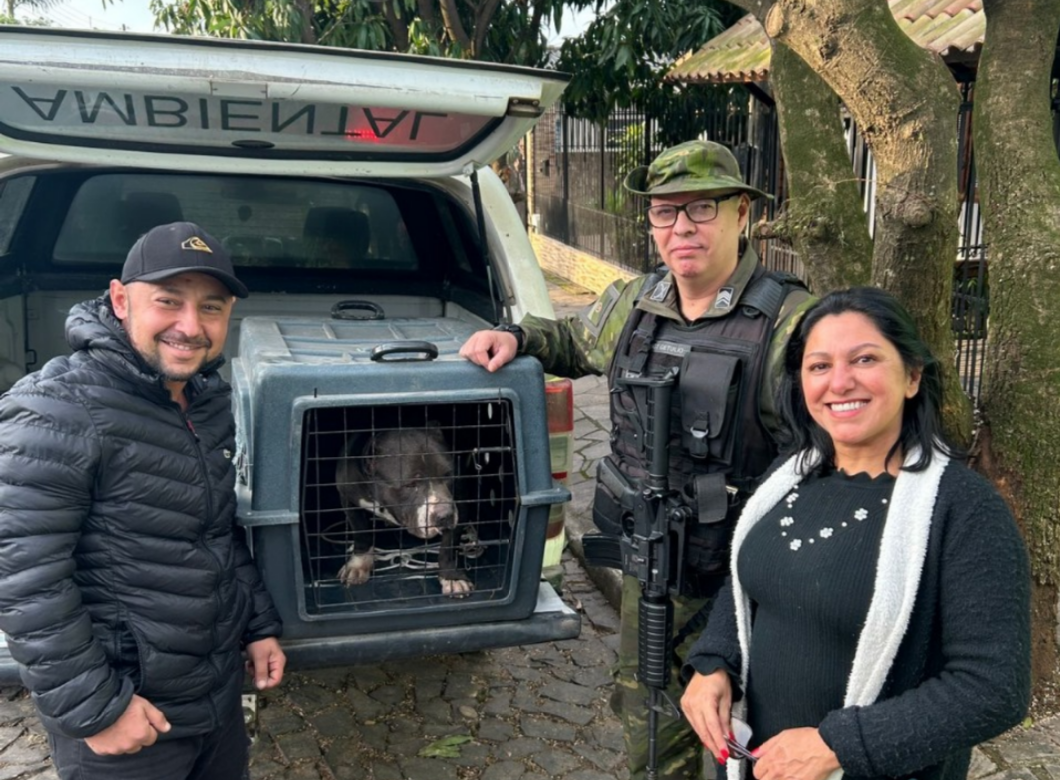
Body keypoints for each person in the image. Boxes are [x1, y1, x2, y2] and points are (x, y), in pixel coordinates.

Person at [460, 139, 813, 780]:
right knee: (649, 727)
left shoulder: (792, 324)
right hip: (651, 571)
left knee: (756, 743)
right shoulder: (633, 303)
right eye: (664, 211)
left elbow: (831, 462)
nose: (681, 227)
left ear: (742, 214)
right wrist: (514, 337)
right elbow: (572, 339)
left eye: (701, 208)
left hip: (749, 591)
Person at [680, 287, 1031, 780]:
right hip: (758, 767)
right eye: (819, 366)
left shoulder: (964, 510)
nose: (839, 382)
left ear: (912, 376)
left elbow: (994, 688)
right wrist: (714, 661)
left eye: (864, 359)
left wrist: (835, 746)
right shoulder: (788, 476)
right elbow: (748, 589)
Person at [0, 222, 286, 780]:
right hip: (129, 710)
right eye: (168, 302)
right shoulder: (55, 408)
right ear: (120, 299)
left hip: (212, 697)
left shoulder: (204, 400)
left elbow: (216, 530)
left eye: (211, 307)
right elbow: (25, 576)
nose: (190, 326)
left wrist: (257, 625)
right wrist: (97, 710)